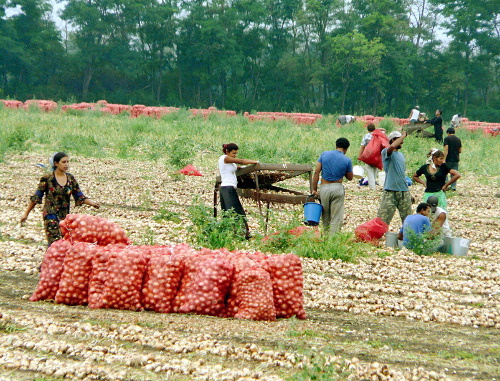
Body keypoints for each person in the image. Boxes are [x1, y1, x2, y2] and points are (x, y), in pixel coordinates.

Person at [20, 152, 100, 245]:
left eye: (67, 162)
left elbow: (79, 195)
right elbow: (37, 197)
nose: (66, 164)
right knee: (55, 242)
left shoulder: (70, 179)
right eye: (63, 162)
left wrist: (92, 203)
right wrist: (26, 214)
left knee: (64, 242)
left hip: (64, 216)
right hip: (50, 215)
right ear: (56, 163)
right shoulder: (47, 178)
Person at [312, 138, 353, 235]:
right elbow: (350, 177)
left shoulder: (324, 154)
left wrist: (314, 189)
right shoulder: (347, 160)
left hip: (324, 188)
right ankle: (333, 241)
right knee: (336, 217)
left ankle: (326, 239)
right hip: (337, 188)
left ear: (336, 146)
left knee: (325, 216)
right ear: (346, 149)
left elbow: (316, 172)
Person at [218, 143, 258, 239]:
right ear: (227, 151)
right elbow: (241, 161)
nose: (235, 155)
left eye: (236, 153)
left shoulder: (231, 163)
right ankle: (242, 234)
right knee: (236, 211)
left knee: (230, 211)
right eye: (233, 153)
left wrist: (245, 168)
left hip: (229, 188)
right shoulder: (224, 158)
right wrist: (255, 162)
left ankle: (233, 234)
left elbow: (238, 167)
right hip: (227, 188)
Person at [377, 131, 412, 227]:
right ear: (393, 140)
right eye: (400, 140)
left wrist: (409, 192)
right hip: (390, 191)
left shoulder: (401, 155)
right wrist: (404, 135)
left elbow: (401, 174)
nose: (402, 142)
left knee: (408, 221)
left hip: (403, 191)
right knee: (382, 220)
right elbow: (391, 147)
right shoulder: (386, 152)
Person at [358, 123, 379, 190]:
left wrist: (360, 156)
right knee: (375, 170)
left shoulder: (366, 136)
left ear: (367, 129)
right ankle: (374, 183)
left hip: (369, 155)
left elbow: (362, 147)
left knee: (369, 171)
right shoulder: (378, 136)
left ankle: (372, 188)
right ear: (374, 129)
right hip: (377, 155)